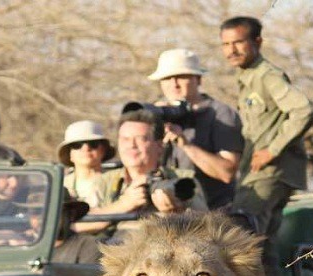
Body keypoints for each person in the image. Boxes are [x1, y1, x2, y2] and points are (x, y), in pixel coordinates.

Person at [221, 15, 313, 276]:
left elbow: (304, 109)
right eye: (225, 44)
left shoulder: (266, 75)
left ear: (257, 42)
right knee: (263, 244)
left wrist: (273, 149)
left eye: (238, 42)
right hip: (260, 172)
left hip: (272, 171)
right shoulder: (247, 76)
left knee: (239, 230)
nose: (231, 50)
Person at [73, 109, 207, 234]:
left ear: (159, 146)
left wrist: (175, 212)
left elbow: (206, 226)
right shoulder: (104, 181)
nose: (132, 145)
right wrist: (124, 204)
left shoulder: (184, 180)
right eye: (125, 139)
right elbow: (77, 225)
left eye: (141, 139)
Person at [147, 48, 244, 210]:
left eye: (181, 77)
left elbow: (226, 173)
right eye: (167, 78)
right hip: (168, 213)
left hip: (215, 213)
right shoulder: (159, 114)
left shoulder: (220, 114)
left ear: (198, 79)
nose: (174, 84)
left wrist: (185, 144)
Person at [56, 120, 116, 208]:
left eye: (93, 144)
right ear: (70, 154)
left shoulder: (118, 181)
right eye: (77, 145)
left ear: (103, 150)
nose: (86, 148)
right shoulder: (59, 186)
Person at [52, 193, 102, 264]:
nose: (43, 219)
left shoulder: (87, 245)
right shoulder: (31, 246)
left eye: (53, 212)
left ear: (71, 214)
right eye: (36, 212)